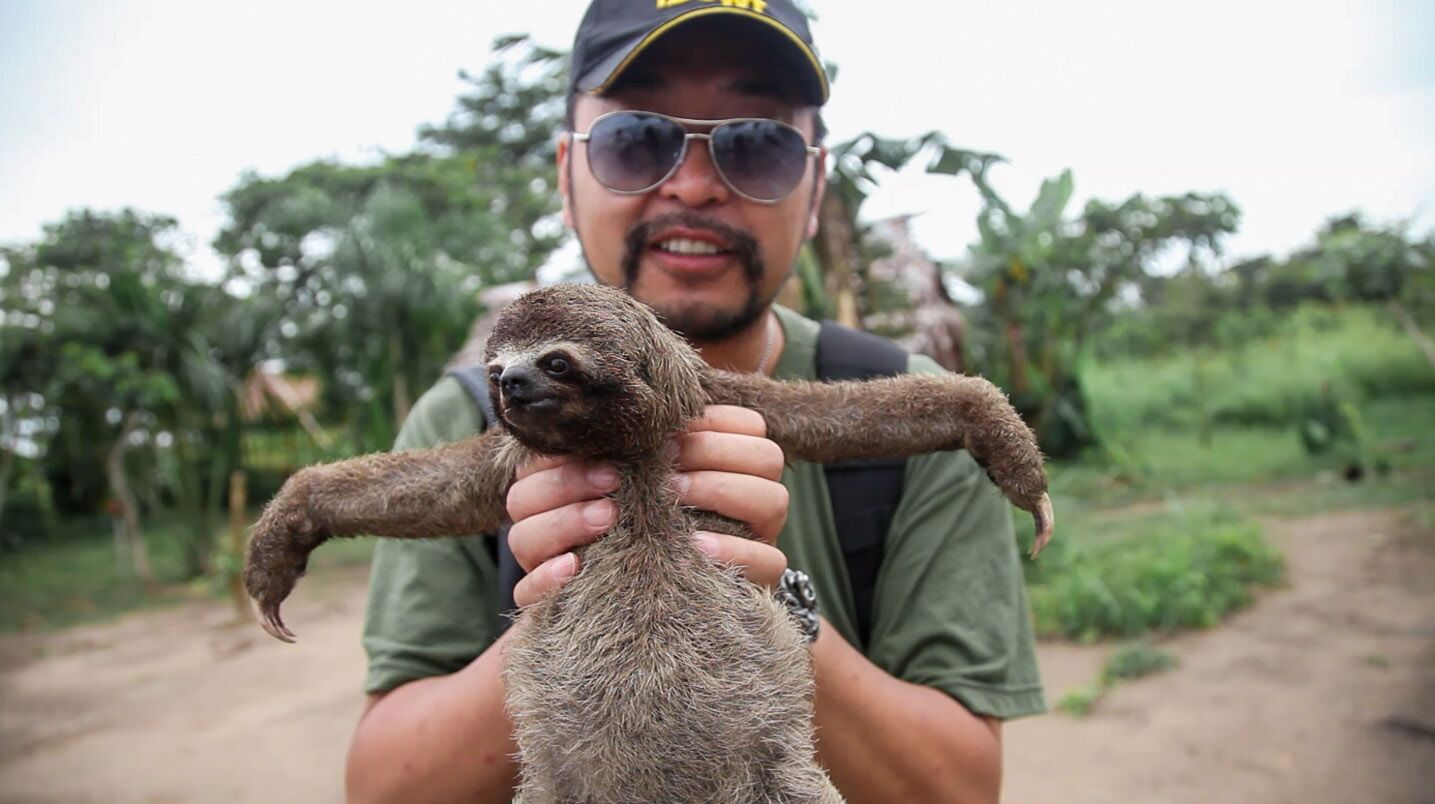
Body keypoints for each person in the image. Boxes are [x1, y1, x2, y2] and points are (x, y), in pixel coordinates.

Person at [346, 2, 1044, 801]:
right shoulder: (461, 415)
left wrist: (762, 604)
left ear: (814, 185)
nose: (693, 185)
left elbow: (958, 791)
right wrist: (573, 606)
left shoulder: (924, 416)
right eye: (633, 139)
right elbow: (381, 789)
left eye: (757, 146)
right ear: (565, 177)